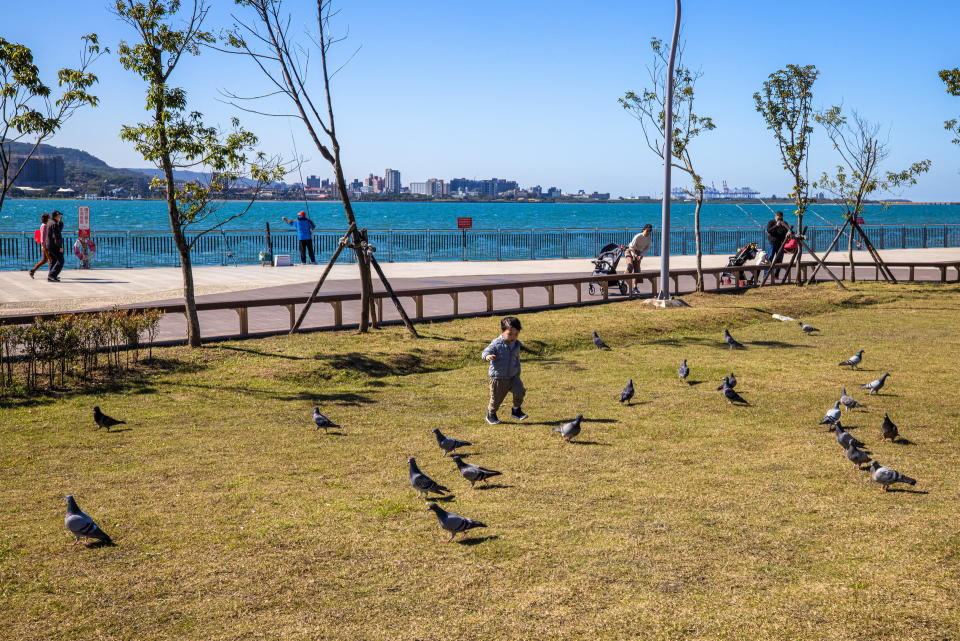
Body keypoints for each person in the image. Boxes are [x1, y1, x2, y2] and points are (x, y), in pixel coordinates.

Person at [482, 316, 527, 425]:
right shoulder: (496, 344)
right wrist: (487, 356)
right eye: (510, 334)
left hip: (513, 376)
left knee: (520, 391)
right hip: (499, 378)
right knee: (496, 399)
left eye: (516, 334)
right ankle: (491, 414)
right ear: (503, 332)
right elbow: (485, 352)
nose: (513, 337)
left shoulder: (516, 344)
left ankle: (516, 410)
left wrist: (517, 371)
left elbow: (516, 359)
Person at [625, 224, 653, 294]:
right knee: (630, 265)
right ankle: (625, 277)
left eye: (650, 231)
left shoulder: (649, 239)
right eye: (647, 230)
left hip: (638, 252)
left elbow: (646, 248)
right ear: (644, 230)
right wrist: (634, 254)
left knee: (637, 269)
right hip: (629, 250)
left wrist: (641, 255)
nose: (648, 232)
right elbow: (631, 247)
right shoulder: (638, 236)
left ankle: (635, 287)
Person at [765, 211, 789, 278]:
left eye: (781, 218)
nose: (780, 220)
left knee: (779, 259)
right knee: (770, 258)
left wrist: (788, 233)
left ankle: (776, 274)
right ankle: (766, 274)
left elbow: (788, 231)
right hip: (772, 243)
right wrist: (776, 225)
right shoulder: (771, 222)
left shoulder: (784, 223)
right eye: (779, 218)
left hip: (781, 243)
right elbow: (769, 231)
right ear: (776, 217)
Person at [28, 213, 51, 279]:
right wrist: (44, 246)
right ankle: (52, 274)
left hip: (44, 246)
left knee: (44, 260)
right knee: (50, 260)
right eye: (48, 218)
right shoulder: (44, 226)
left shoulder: (43, 225)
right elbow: (43, 237)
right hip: (45, 246)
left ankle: (32, 271)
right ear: (47, 218)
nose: (49, 219)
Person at [46, 210, 65, 283]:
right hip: (54, 245)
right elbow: (57, 236)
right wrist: (60, 247)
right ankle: (52, 275)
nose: (60, 216)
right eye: (59, 215)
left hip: (49, 245)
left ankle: (50, 276)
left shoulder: (50, 222)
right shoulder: (54, 224)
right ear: (56, 216)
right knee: (61, 261)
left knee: (54, 260)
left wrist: (60, 222)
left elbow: (58, 231)